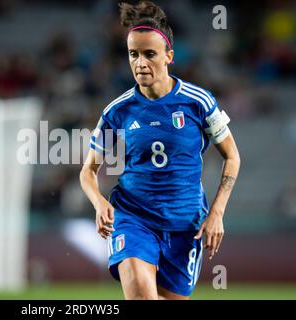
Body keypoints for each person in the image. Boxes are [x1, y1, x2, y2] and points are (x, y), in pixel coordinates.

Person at [80, 0, 241, 300]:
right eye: (133, 54)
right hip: (133, 218)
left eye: (149, 54)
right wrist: (99, 202)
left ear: (169, 56)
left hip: (185, 225)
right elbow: (88, 170)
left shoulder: (199, 102)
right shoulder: (118, 111)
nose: (140, 63)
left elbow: (232, 156)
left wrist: (217, 212)